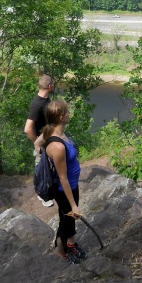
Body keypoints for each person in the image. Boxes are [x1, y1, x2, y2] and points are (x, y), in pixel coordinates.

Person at [37, 100, 87, 264]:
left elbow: (38, 143)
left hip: (72, 184)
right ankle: (60, 250)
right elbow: (62, 177)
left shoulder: (56, 132)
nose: (69, 114)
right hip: (63, 188)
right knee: (67, 219)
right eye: (67, 112)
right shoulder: (57, 146)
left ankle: (71, 243)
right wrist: (73, 205)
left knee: (69, 219)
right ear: (61, 117)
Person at [24, 74, 54, 207]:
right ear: (49, 86)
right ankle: (41, 194)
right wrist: (37, 143)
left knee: (50, 166)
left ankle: (50, 187)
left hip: (49, 139)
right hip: (42, 142)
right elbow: (28, 129)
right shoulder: (37, 104)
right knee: (40, 167)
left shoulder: (46, 99)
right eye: (52, 84)